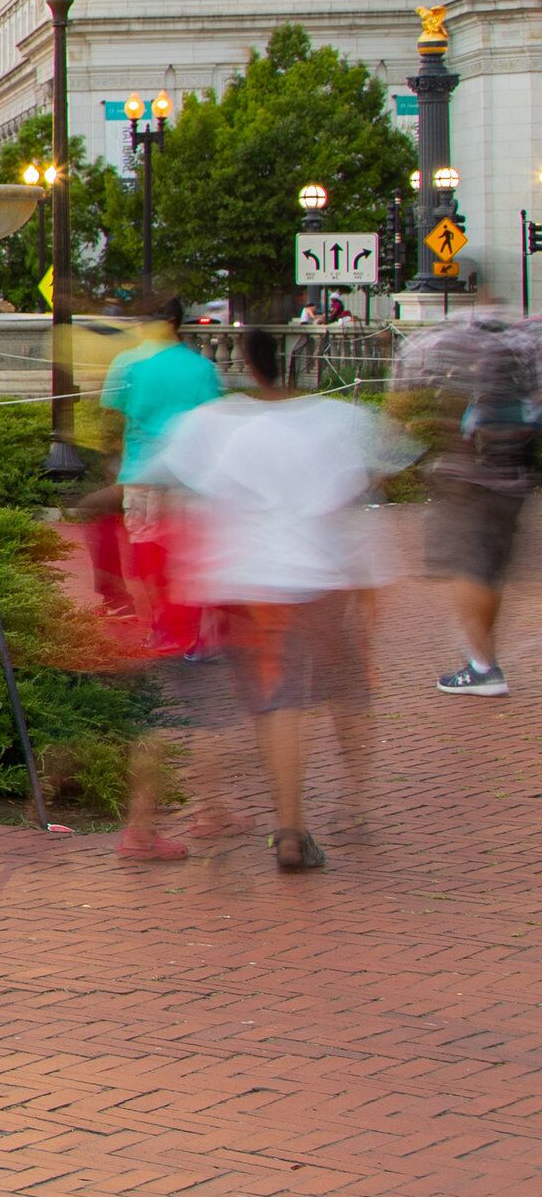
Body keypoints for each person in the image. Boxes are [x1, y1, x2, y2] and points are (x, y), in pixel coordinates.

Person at [147, 326, 410, 872]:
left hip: (247, 581)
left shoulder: (215, 423)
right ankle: (352, 806)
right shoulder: (340, 419)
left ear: (244, 363)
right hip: (323, 575)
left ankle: (290, 824)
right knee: (348, 691)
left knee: (276, 702)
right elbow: (379, 474)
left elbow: (167, 483)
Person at [85, 306, 228, 862]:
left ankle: (157, 630)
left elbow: (110, 425)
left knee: (145, 554)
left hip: (141, 476)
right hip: (190, 481)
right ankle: (184, 634)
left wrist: (115, 465)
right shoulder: (199, 368)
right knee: (183, 560)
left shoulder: (128, 362)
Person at [388, 310, 537, 697]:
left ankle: (483, 666)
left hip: (473, 491)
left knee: (469, 569)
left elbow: (461, 435)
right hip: (512, 486)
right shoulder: (521, 379)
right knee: (489, 572)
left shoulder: (481, 390)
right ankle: (484, 660)